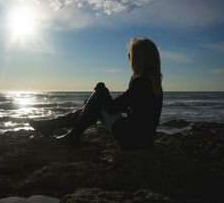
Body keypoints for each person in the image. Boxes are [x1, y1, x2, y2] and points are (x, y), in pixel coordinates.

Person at [29, 37, 163, 149]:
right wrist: (97, 105)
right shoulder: (154, 83)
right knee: (95, 104)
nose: (129, 58)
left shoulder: (142, 83)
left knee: (99, 97)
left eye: (131, 55)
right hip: (142, 140)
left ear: (140, 58)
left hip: (131, 140)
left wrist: (100, 89)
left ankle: (67, 133)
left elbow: (111, 108)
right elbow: (131, 108)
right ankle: (54, 127)